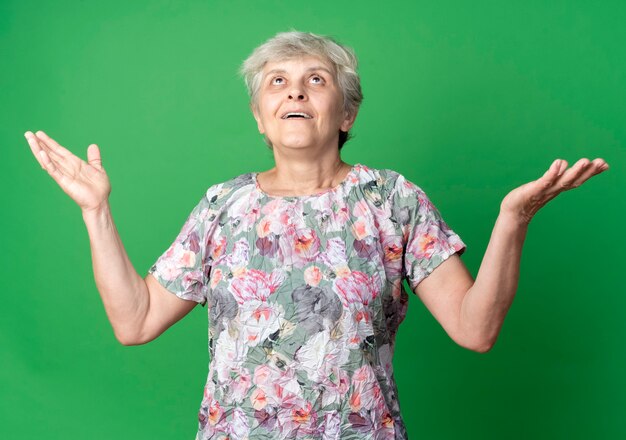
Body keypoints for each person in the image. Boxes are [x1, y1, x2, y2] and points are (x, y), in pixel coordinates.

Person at [25, 30, 609, 440]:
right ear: (259, 115)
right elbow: (136, 320)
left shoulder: (391, 199)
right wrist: (96, 212)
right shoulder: (222, 206)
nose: (295, 91)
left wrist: (512, 221)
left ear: (346, 113)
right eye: (277, 81)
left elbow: (475, 329)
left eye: (315, 79)